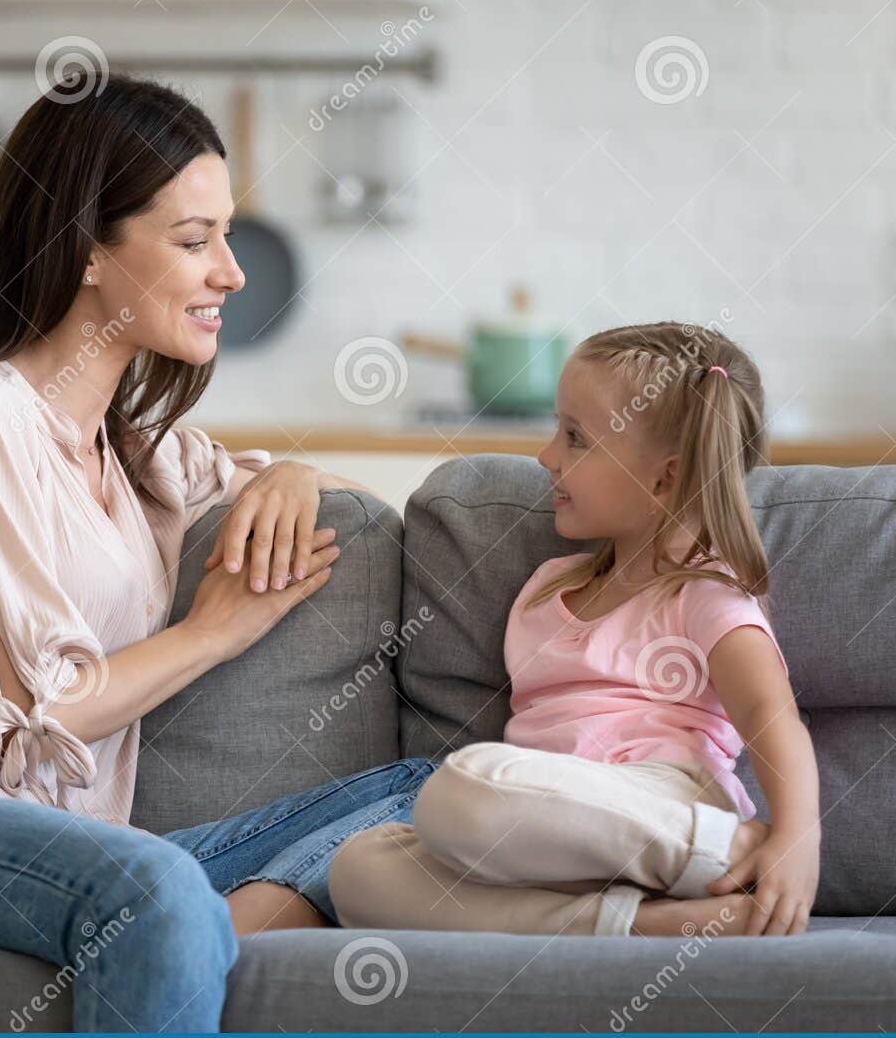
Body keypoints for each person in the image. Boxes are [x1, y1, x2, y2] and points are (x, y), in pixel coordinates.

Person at [0, 72, 436, 1032]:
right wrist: (212, 633)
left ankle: (202, 934)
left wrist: (297, 474)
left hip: (46, 837)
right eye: (194, 242)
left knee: (427, 793)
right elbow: (35, 712)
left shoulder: (137, 454)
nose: (230, 272)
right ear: (85, 252)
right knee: (152, 886)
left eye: (225, 237)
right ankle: (178, 926)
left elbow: (347, 499)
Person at [330, 322, 820, 938]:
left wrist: (797, 838)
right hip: (548, 838)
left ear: (663, 478)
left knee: (461, 789)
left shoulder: (703, 593)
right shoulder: (544, 589)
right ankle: (638, 925)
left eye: (575, 438)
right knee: (357, 868)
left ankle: (723, 846)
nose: (545, 456)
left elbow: (774, 717)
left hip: (659, 802)